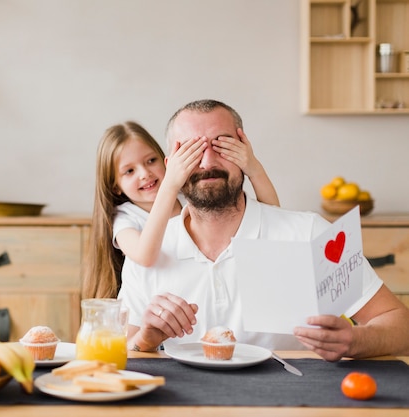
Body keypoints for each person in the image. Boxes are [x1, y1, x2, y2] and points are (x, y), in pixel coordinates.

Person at [120, 99, 409, 362]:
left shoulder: (310, 233)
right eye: (193, 151)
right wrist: (144, 339)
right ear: (171, 167)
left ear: (244, 151)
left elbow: (400, 325)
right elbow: (119, 356)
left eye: (222, 146)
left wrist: (355, 340)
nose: (207, 163)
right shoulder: (149, 250)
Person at [83, 120, 279, 299]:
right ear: (115, 186)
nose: (145, 174)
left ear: (165, 160)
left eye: (151, 161)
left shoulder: (188, 199)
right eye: (129, 171)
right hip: (161, 307)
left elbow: (273, 216)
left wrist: (253, 169)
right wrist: (170, 184)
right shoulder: (125, 218)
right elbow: (145, 256)